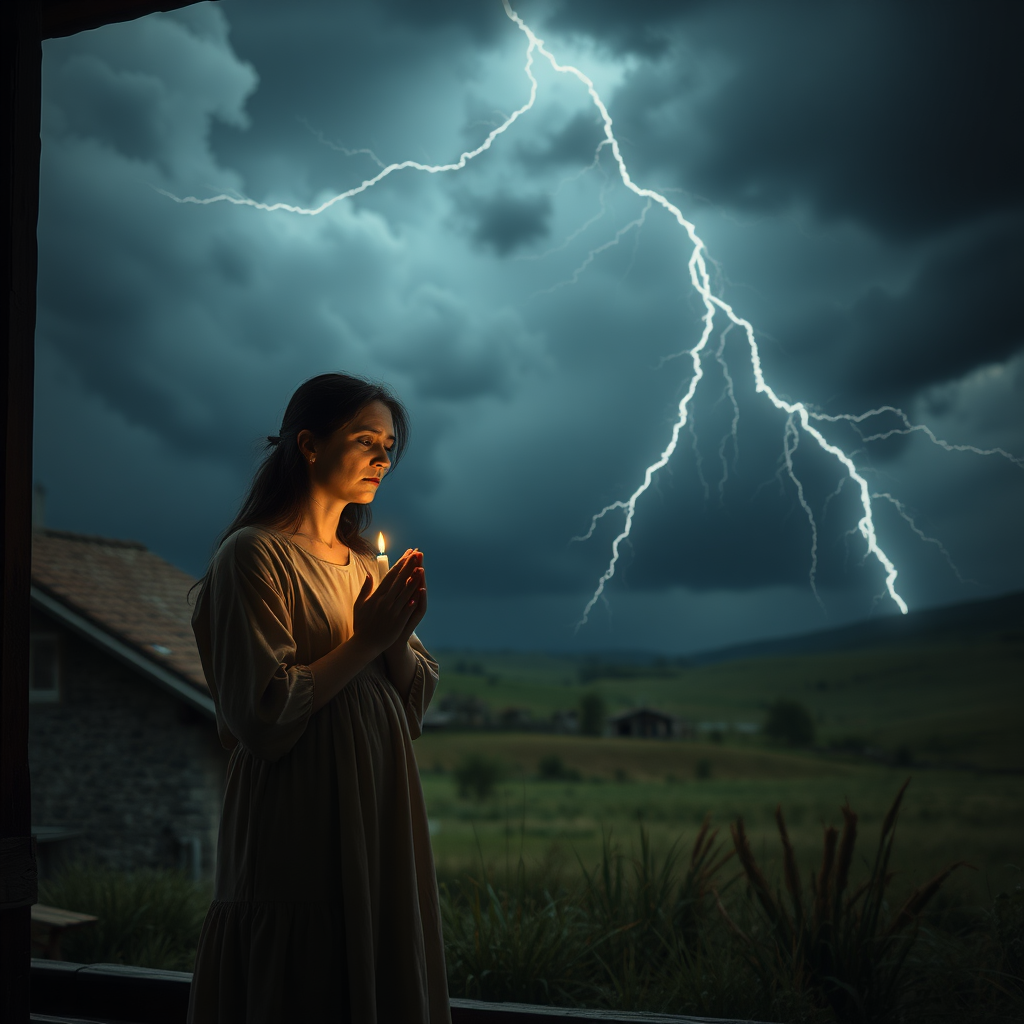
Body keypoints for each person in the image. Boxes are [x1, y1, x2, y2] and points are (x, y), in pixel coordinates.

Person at [187, 373, 450, 1023]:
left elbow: (411, 702)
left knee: (376, 948)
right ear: (308, 444)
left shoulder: (366, 563)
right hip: (297, 815)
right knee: (307, 970)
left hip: (379, 803)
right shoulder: (255, 557)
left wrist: (394, 635)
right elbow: (263, 716)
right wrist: (367, 641)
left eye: (390, 446)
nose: (383, 459)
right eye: (366, 441)